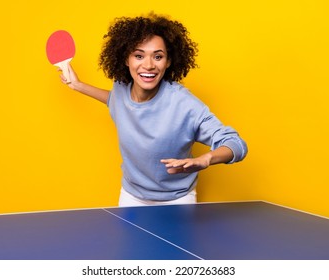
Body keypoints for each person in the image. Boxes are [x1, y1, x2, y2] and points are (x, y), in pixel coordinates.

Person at [59, 12, 248, 207]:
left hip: (177, 199)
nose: (148, 65)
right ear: (126, 59)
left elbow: (236, 144)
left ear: (168, 62)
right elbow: (116, 101)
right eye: (139, 55)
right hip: (131, 196)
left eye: (158, 56)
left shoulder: (184, 104)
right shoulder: (121, 90)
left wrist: (206, 159)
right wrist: (78, 85)